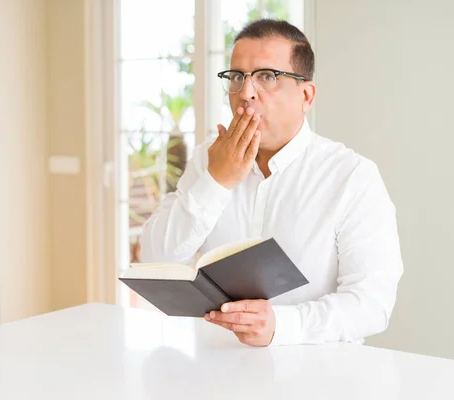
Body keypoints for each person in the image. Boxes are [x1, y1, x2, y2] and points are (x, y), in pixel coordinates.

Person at [139, 18, 403, 347]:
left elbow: (372, 303)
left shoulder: (352, 177)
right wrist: (216, 181)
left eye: (267, 76)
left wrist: (281, 325)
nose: (245, 93)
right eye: (236, 76)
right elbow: (153, 262)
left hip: (318, 377)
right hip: (215, 367)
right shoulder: (208, 159)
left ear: (306, 95)